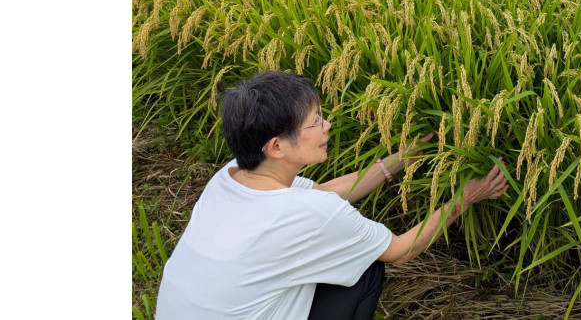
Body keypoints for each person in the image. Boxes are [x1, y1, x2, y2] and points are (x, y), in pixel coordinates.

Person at [155, 70, 509, 320]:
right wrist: (464, 197)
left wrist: (400, 159)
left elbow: (324, 192)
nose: (327, 125)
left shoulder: (230, 176)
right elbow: (402, 250)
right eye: (315, 121)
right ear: (276, 146)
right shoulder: (314, 213)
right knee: (367, 269)